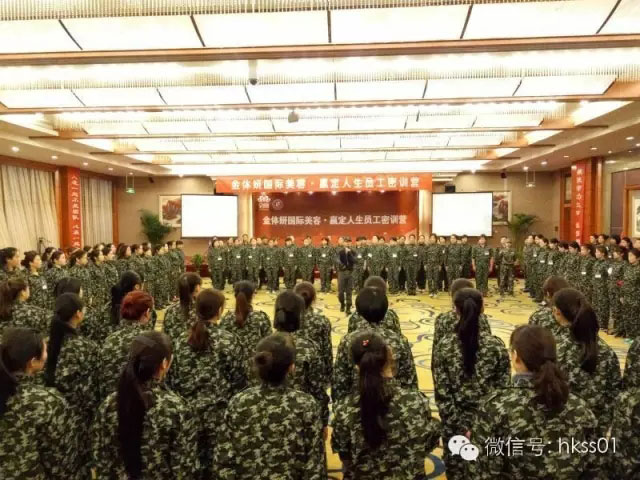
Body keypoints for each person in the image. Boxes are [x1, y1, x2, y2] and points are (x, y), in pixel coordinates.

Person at [470, 325, 601, 479]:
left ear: (515, 356)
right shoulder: (580, 407)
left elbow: (482, 470)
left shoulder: (495, 407)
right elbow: (594, 464)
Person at [214, 333, 327, 479]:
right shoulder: (306, 405)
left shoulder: (238, 402)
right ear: (291, 368)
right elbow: (315, 467)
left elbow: (223, 462)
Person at [331, 331, 440, 479]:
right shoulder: (416, 401)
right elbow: (429, 443)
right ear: (389, 357)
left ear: (356, 366)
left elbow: (345, 456)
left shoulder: (345, 410)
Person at [91, 331, 197, 479]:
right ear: (164, 364)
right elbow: (184, 469)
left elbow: (101, 460)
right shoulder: (177, 409)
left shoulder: (108, 405)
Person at [432, 288, 510, 479]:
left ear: (455, 309)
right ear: (482, 308)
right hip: (489, 427)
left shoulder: (444, 346)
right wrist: (479, 428)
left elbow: (443, 395)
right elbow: (503, 393)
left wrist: (460, 428)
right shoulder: (496, 346)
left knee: (457, 471)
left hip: (454, 427)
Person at [169, 289, 247, 478]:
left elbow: (172, 380)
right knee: (218, 467)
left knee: (192, 467)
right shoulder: (228, 341)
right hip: (220, 418)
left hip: (188, 417)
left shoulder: (180, 341)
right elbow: (240, 381)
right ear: (219, 311)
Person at [0, 327, 82, 479]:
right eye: (45, 350)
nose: (46, 354)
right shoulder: (47, 402)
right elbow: (62, 462)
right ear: (32, 362)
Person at [552, 288, 621, 436]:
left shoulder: (555, 348)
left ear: (557, 312)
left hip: (559, 431)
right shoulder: (607, 352)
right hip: (595, 431)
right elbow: (614, 396)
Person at [333, 287, 418, 404]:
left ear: (359, 312)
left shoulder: (348, 341)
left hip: (357, 404)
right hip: (394, 404)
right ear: (385, 311)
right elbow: (410, 382)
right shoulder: (399, 340)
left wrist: (344, 408)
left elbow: (340, 383)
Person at [44, 292, 99, 471]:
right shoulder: (85, 347)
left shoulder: (46, 344)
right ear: (78, 314)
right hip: (79, 421)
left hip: (52, 418)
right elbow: (92, 390)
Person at [99, 290, 154, 399]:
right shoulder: (150, 342)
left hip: (113, 403)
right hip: (142, 403)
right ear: (147, 313)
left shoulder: (109, 340)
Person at [430, 279, 492, 362]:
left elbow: (436, 351)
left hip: (450, 362)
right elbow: (488, 342)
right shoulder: (482, 319)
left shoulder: (443, 319)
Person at [219, 281, 272, 374]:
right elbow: (269, 344)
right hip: (256, 369)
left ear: (235, 296)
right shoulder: (260, 317)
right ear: (253, 295)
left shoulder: (226, 319)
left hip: (233, 369)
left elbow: (221, 343)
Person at [295, 282, 333, 382]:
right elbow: (327, 350)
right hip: (316, 372)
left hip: (291, 371)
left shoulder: (287, 319)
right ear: (313, 299)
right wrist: (329, 375)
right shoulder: (321, 321)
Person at [163, 272, 201, 344]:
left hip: (174, 348)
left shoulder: (170, 309)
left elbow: (165, 334)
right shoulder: (200, 309)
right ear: (197, 288)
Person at [620, 248, 640, 339]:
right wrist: (621, 295)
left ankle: (636, 339)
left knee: (635, 319)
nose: (629, 258)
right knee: (627, 317)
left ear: (638, 258)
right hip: (626, 297)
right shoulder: (628, 268)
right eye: (628, 256)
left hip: (635, 298)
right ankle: (629, 336)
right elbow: (623, 283)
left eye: (632, 256)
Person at [608, 245, 627, 336]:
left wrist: (620, 287)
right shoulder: (613, 263)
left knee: (619, 310)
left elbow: (623, 279)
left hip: (619, 291)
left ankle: (620, 329)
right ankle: (616, 328)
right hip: (612, 289)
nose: (614, 253)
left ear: (621, 254)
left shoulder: (624, 264)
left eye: (616, 252)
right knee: (614, 310)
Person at [591, 246, 610, 331]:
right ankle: (597, 322)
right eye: (595, 252)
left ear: (603, 253)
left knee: (603, 306)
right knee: (596, 305)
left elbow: (610, 276)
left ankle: (603, 325)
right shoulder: (596, 262)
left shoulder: (607, 264)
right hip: (596, 287)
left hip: (603, 288)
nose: (596, 253)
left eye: (598, 252)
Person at [337, 236, 356, 314]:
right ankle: (342, 303)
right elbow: (336, 260)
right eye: (346, 242)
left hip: (350, 273)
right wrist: (342, 265)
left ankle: (348, 307)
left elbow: (354, 261)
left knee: (349, 291)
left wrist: (349, 253)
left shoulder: (353, 251)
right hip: (342, 273)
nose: (347, 243)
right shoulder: (340, 251)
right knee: (341, 291)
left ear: (351, 243)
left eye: (349, 242)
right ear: (343, 243)